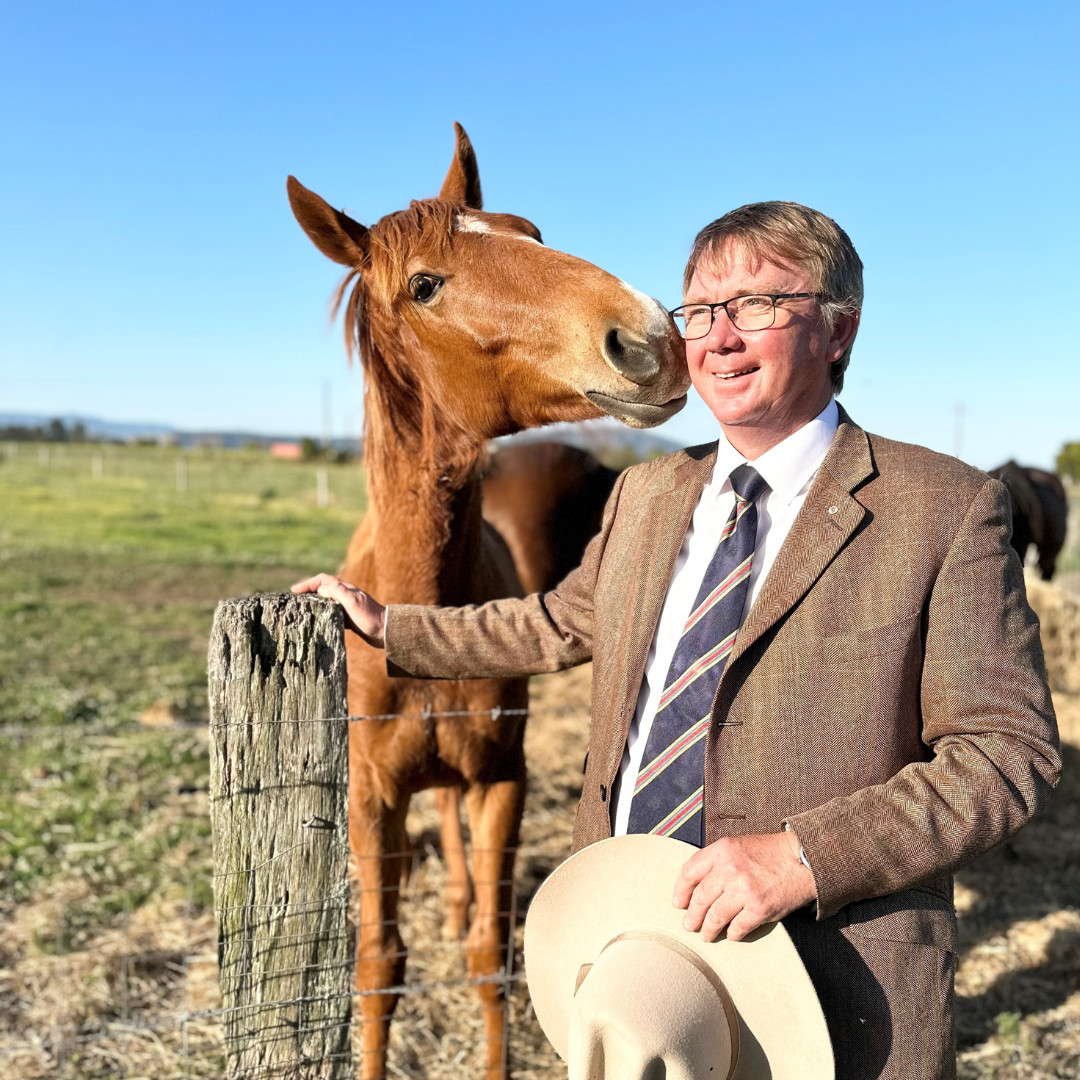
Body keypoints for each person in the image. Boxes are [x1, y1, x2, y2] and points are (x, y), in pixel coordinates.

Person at [293, 201, 1060, 1080]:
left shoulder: (944, 507)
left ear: (838, 332)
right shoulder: (650, 495)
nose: (721, 339)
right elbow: (557, 620)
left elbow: (1010, 754)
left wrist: (806, 857)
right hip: (636, 970)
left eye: (760, 306)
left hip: (831, 990)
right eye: (701, 311)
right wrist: (394, 628)